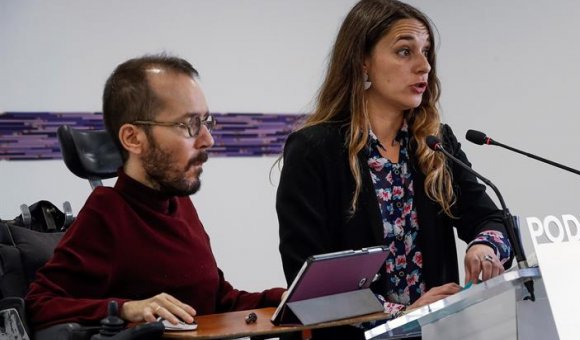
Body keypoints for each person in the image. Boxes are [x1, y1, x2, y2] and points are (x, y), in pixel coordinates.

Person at [276, 0, 512, 337]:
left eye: (426, 52)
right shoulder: (314, 149)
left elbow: (493, 219)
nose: (424, 66)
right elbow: (312, 288)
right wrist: (404, 315)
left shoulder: (434, 142)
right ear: (363, 63)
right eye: (405, 52)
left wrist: (484, 246)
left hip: (440, 332)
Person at [26, 55, 285, 330]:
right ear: (133, 139)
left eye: (206, 122)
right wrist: (127, 309)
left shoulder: (179, 204)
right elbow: (39, 303)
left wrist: (282, 297)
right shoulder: (107, 211)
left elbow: (216, 301)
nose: (208, 139)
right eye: (189, 125)